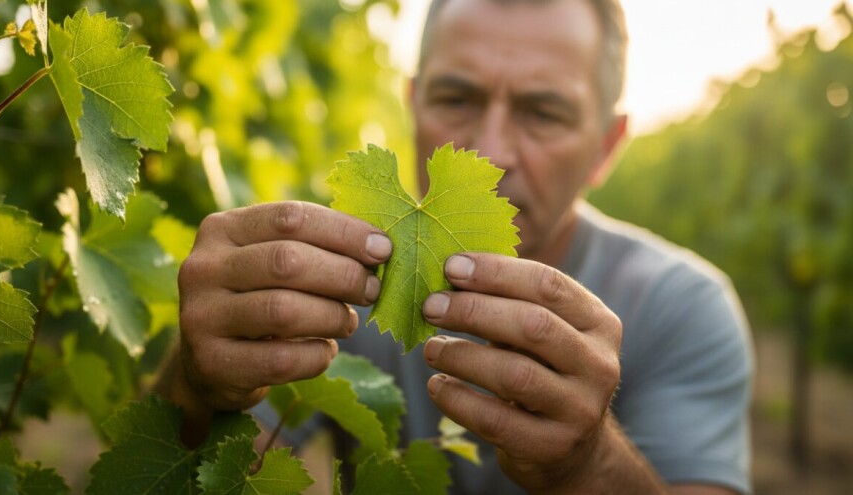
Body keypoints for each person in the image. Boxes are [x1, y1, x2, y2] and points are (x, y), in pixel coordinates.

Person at [157, 0, 754, 493]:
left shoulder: (683, 308)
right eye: (457, 99)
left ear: (606, 146)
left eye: (542, 112)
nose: (491, 152)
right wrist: (196, 378)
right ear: (413, 102)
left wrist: (587, 464)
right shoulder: (330, 280)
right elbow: (192, 473)